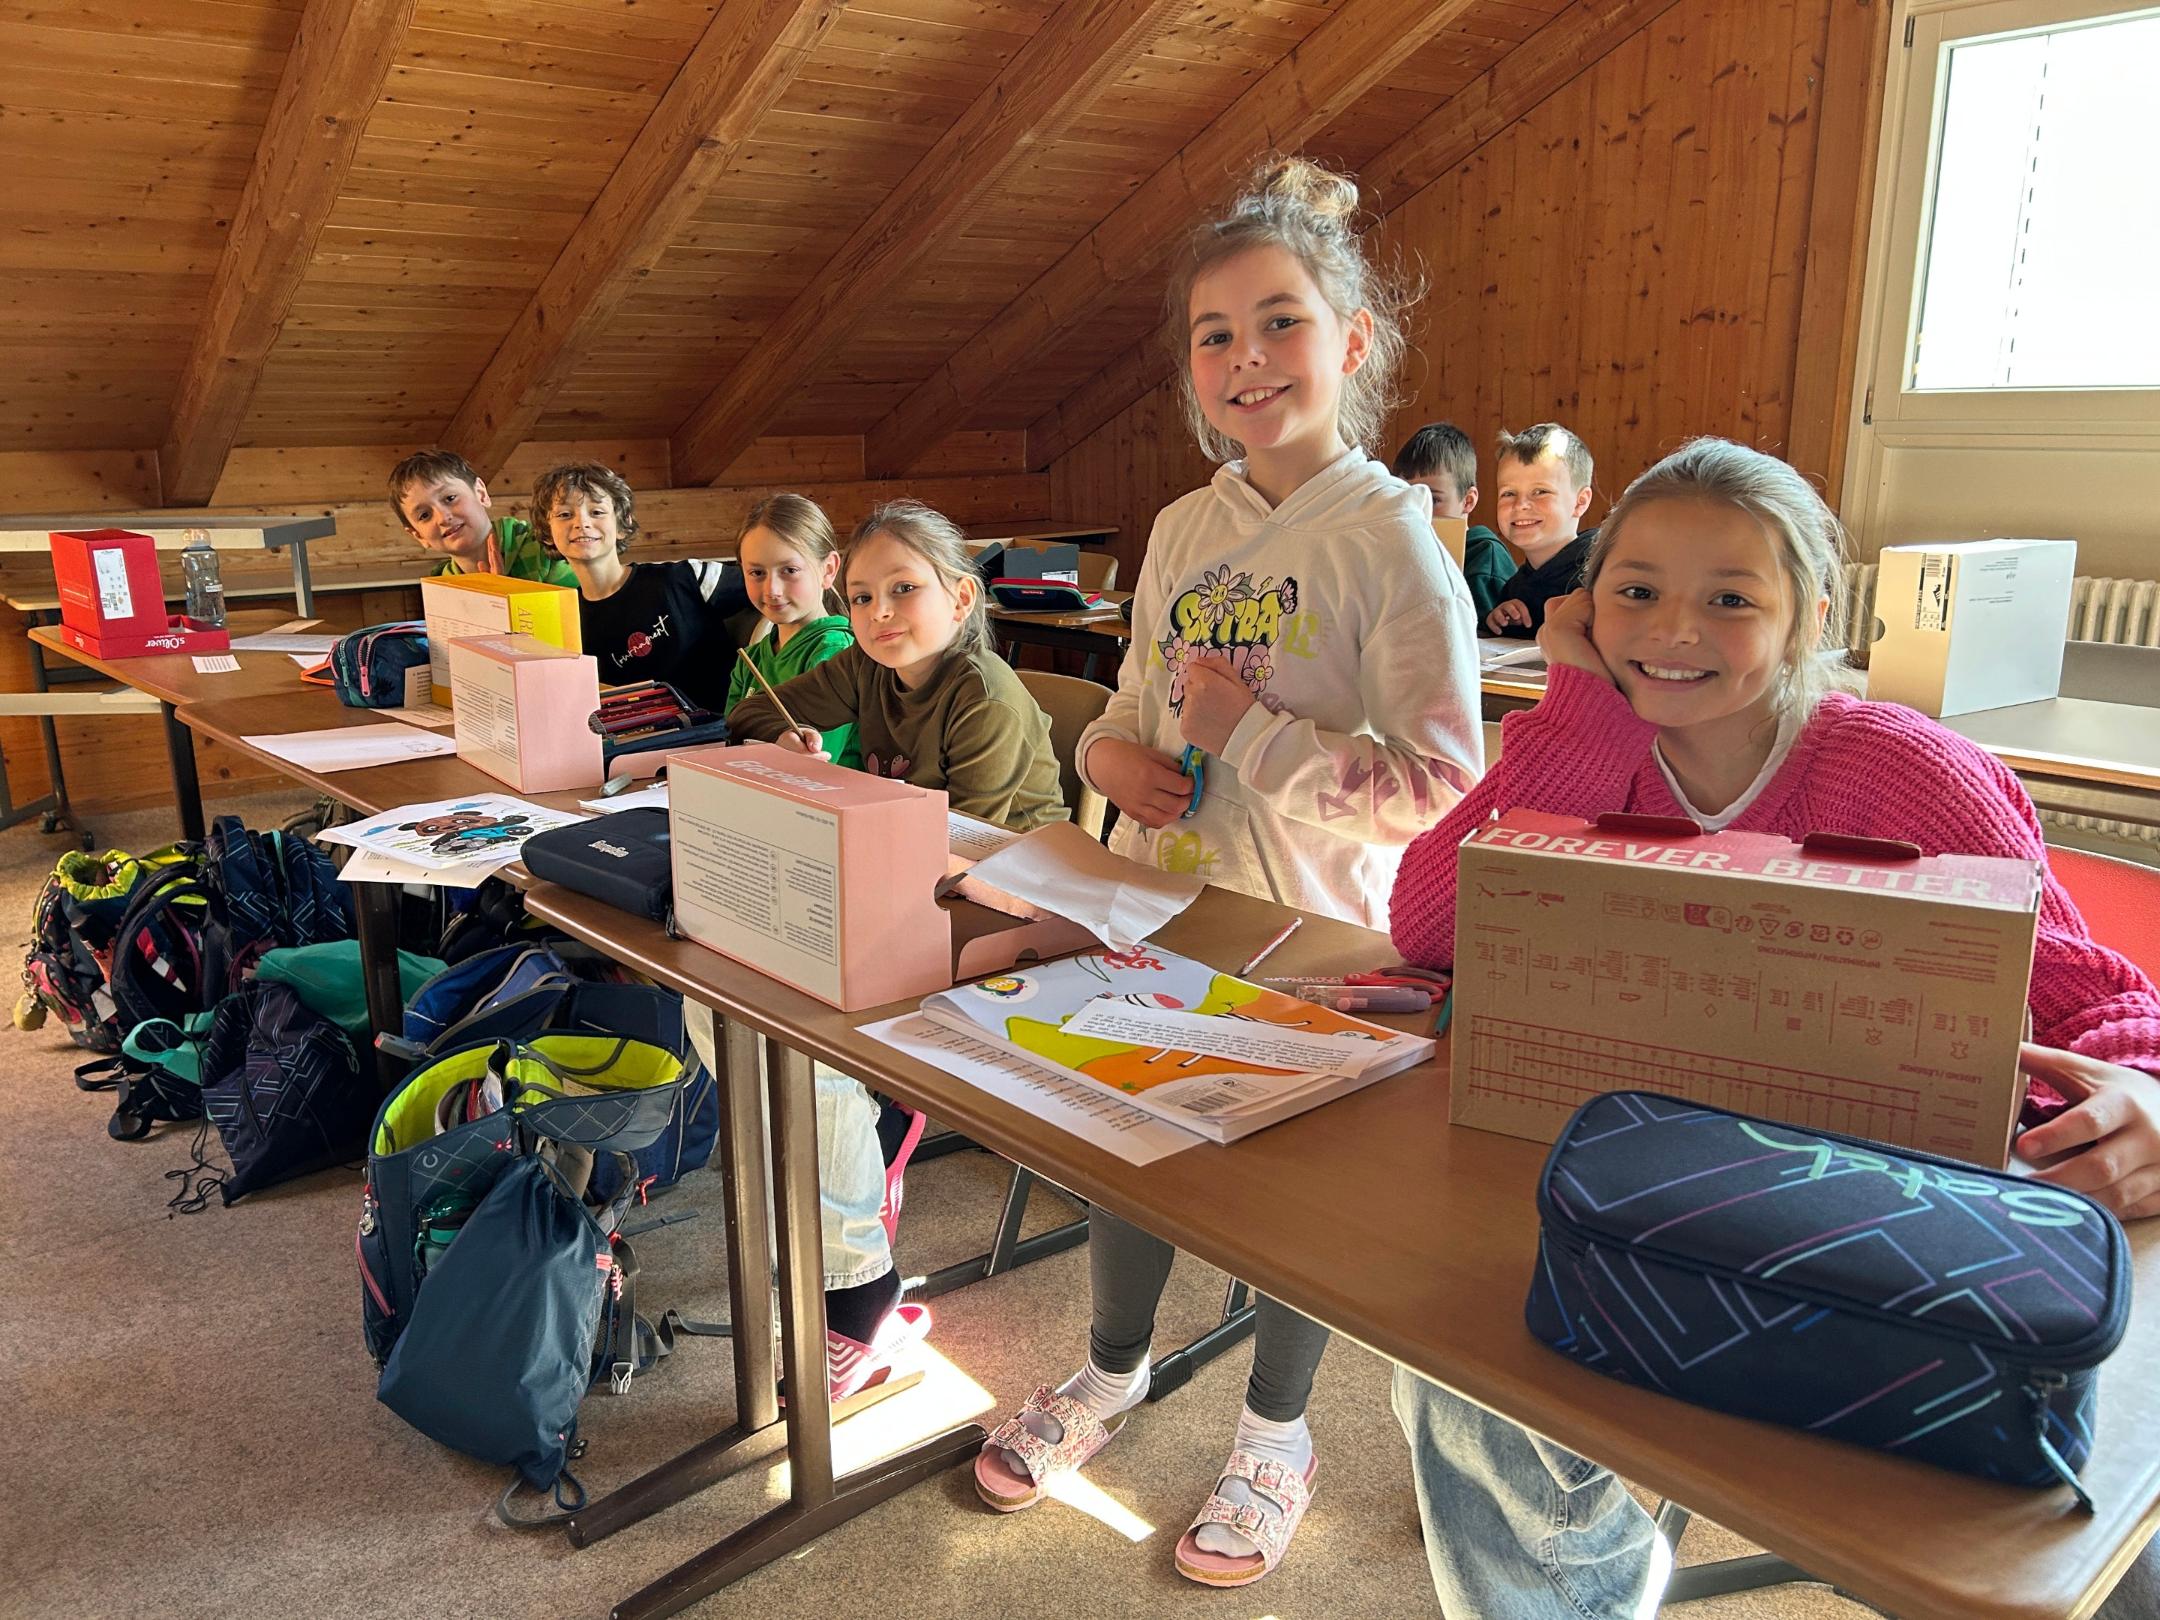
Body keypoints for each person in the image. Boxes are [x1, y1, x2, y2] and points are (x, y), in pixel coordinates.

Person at [1387, 437, 2160, 1619]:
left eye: (1731, 599)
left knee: (2038, 1543)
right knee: (1450, 1369)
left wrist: (2147, 1089)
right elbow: (1430, 927)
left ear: (1806, 621)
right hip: (1645, 1192)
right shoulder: (1586, 747)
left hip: (1864, 1222)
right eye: (1635, 591)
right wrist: (1590, 717)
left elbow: (2101, 1001)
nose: (1672, 631)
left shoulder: (1911, 775)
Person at [972, 155, 1483, 1589]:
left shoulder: (1392, 543)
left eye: (1280, 324)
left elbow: (1441, 794)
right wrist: (1108, 767)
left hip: (1314, 937)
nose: (1247, 360)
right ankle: (1115, 1370)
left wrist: (1251, 734)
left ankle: (1277, 1432)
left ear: (1353, 344)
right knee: (1132, 1158)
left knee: (1288, 1206)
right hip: (1152, 910)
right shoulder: (1184, 530)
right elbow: (1134, 711)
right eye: (1215, 337)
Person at [728, 498, 1069, 830]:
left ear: (961, 598)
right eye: (862, 597)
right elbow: (749, 713)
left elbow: (962, 841)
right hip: (909, 847)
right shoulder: (865, 666)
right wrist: (782, 737)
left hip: (1013, 871)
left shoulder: (984, 700)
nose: (879, 612)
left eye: (904, 588)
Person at [535, 461, 749, 714]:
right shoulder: (563, 623)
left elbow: (770, 588)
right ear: (547, 532)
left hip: (719, 734)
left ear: (622, 525)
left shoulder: (684, 578)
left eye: (597, 512)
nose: (581, 523)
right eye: (564, 514)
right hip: (631, 744)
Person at [723, 493, 860, 768]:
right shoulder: (750, 658)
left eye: (789, 570)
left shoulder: (835, 651)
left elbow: (818, 762)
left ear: (828, 569)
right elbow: (727, 741)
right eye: (757, 573)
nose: (772, 589)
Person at [389, 449, 576, 586]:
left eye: (450, 498)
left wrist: (508, 599)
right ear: (418, 536)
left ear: (481, 494)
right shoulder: (444, 589)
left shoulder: (548, 549)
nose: (443, 517)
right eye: (424, 515)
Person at [1482, 421, 1596, 636]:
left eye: (1540, 491)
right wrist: (1497, 620)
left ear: (1580, 502)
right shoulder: (1514, 588)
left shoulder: (1600, 574)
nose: (1521, 504)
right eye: (1508, 493)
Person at [1393, 420, 1514, 619]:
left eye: (1433, 499)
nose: (1420, 508)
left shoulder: (1484, 558)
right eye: (1407, 497)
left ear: (1467, 501)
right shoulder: (1398, 547)